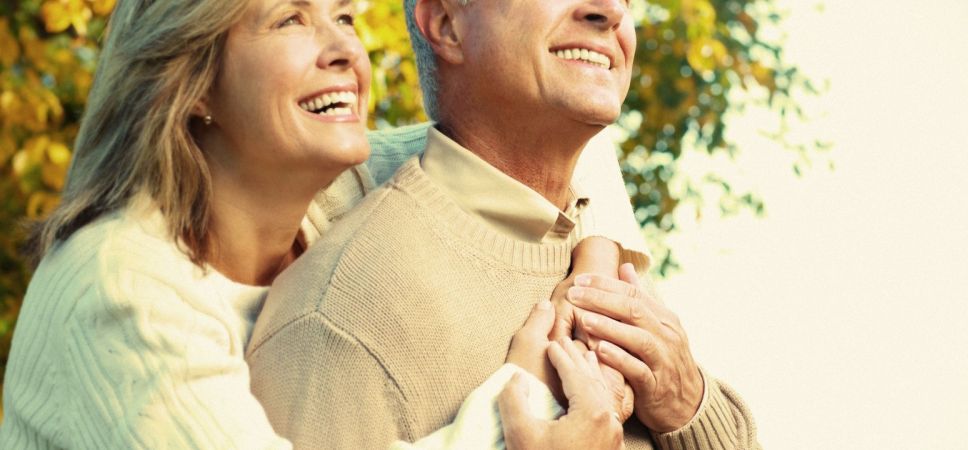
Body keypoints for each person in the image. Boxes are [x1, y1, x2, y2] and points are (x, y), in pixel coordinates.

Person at [0, 0, 649, 447]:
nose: (343, 48)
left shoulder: (328, 190)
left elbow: (560, 131)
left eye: (343, 16)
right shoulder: (120, 289)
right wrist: (522, 403)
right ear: (191, 80)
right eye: (290, 18)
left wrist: (591, 294)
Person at [246, 0, 761, 449]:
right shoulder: (341, 320)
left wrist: (686, 404)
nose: (611, 10)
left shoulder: (610, 263)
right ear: (447, 25)